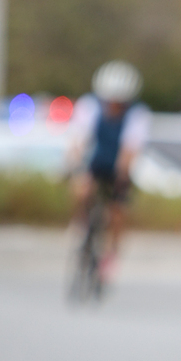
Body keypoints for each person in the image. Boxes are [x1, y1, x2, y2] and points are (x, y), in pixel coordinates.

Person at [65, 61, 149, 282]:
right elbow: (78, 141)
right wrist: (77, 166)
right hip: (94, 162)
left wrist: (122, 175)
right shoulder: (89, 106)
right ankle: (80, 225)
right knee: (81, 189)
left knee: (118, 210)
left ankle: (112, 254)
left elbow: (130, 149)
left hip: (117, 165)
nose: (114, 105)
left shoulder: (137, 114)